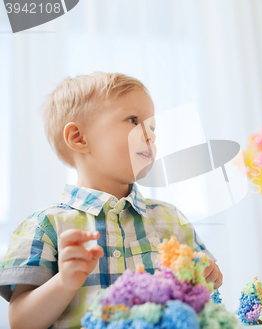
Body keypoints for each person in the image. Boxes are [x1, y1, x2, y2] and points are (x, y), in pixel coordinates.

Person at [0, 72, 223, 328]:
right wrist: (64, 283)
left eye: (152, 127)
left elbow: (202, 297)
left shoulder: (170, 219)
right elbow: (20, 322)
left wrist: (207, 276)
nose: (151, 135)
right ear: (79, 138)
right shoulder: (44, 226)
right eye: (132, 120)